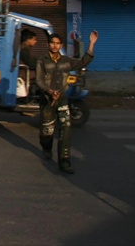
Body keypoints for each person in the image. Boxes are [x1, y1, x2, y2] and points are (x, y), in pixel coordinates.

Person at [35, 31, 99, 174]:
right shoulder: (42, 60)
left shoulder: (66, 61)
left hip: (62, 99)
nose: (55, 45)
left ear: (61, 45)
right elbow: (39, 80)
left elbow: (83, 61)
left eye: (57, 43)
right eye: (52, 43)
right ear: (48, 44)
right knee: (47, 132)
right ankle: (46, 147)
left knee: (66, 129)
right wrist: (50, 91)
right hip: (47, 100)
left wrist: (92, 44)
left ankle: (64, 161)